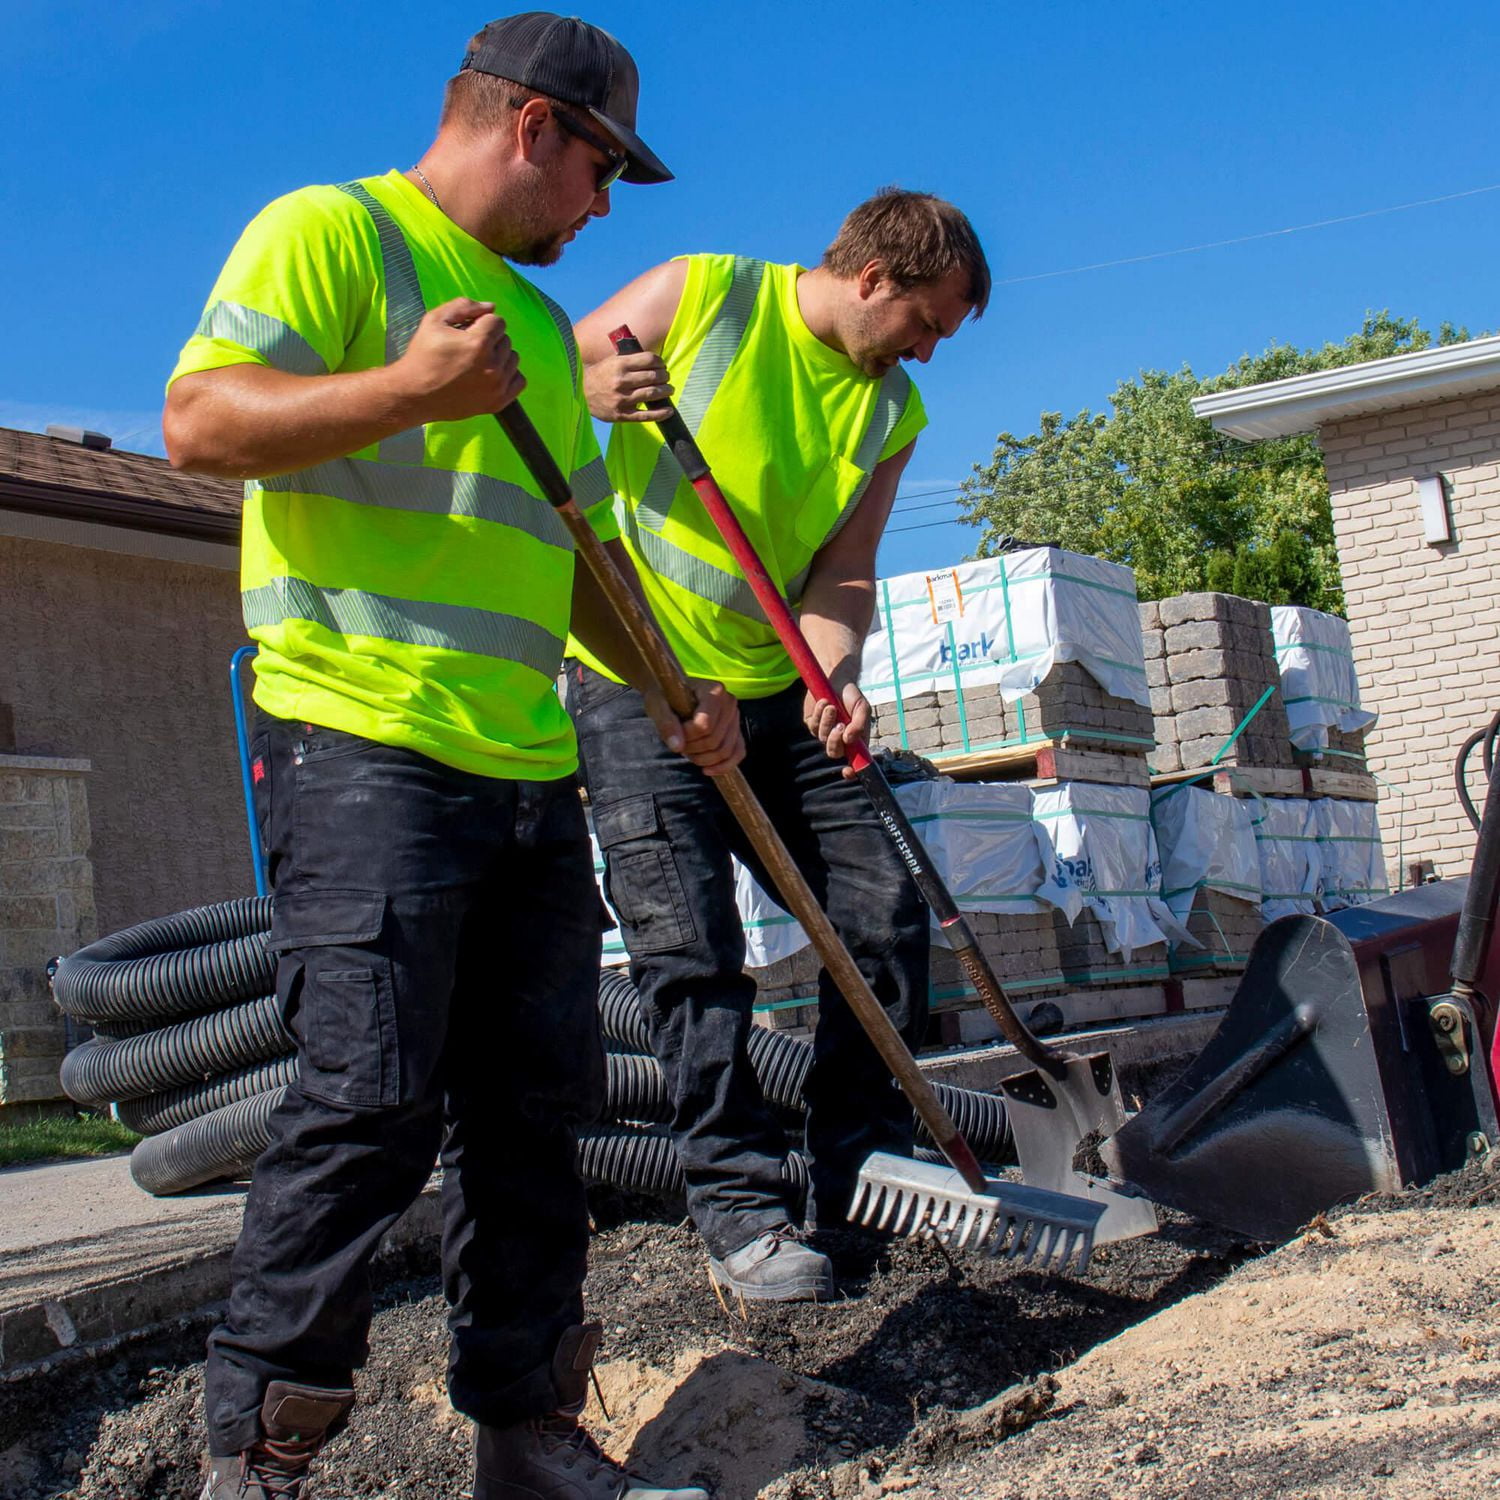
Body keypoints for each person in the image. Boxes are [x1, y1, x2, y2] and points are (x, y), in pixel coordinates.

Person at [163, 14, 739, 1500]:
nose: (603, 208)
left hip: (528, 769)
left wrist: (677, 689)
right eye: (603, 170)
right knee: (366, 1096)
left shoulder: (545, 336)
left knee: (535, 1113)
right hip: (360, 741)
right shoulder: (333, 234)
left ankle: (527, 1434)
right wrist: (407, 389)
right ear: (536, 126)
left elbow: (577, 561)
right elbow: (200, 421)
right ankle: (262, 1452)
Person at [568, 190, 991, 1302]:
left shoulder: (890, 411)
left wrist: (832, 674)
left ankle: (860, 1177)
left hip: (773, 693)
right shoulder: (699, 293)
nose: (930, 352)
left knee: (882, 915)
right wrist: (591, 387)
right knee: (692, 948)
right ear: (874, 278)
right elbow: (536, 385)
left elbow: (844, 574)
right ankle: (740, 1207)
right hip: (638, 678)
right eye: (928, 323)